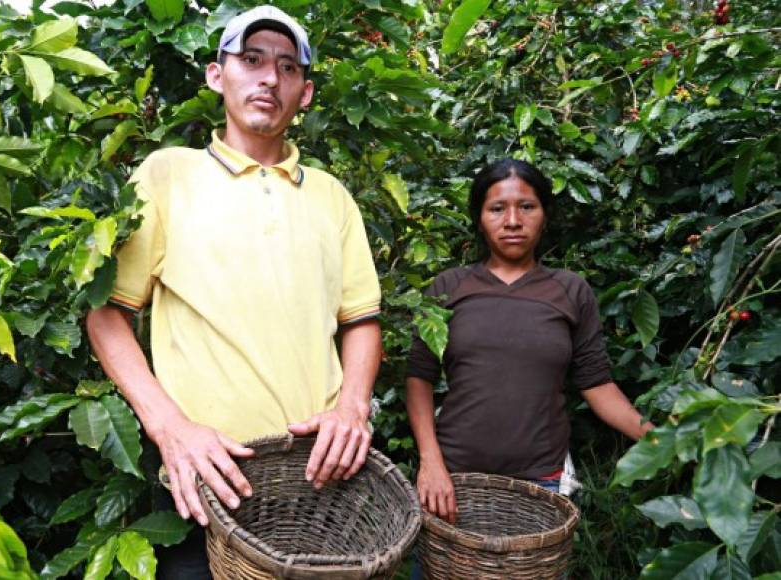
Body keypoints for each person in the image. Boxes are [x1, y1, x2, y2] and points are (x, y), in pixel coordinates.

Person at [86, 6, 382, 578]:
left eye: (286, 67)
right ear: (216, 76)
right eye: (250, 60)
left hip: (316, 485)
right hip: (206, 479)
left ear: (307, 92)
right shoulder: (167, 174)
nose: (269, 78)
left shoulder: (331, 196)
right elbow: (107, 316)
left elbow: (361, 319)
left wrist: (353, 409)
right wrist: (172, 430)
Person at [405, 158, 653, 524]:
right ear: (479, 218)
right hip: (453, 481)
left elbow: (597, 384)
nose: (512, 222)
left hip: (541, 483)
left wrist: (658, 439)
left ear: (544, 215)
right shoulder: (449, 287)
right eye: (496, 209)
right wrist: (431, 462)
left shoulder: (571, 290)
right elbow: (418, 378)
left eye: (526, 207)